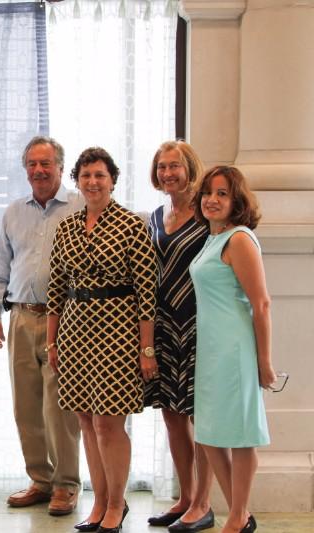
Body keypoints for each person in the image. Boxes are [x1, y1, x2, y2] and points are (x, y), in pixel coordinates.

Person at [46, 147, 157, 533]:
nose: (93, 182)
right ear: (77, 180)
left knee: (109, 423)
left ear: (113, 180)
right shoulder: (67, 226)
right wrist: (52, 342)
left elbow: (147, 293)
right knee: (86, 421)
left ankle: (117, 504)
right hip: (75, 333)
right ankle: (98, 502)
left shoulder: (131, 225)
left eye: (101, 175)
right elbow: (56, 289)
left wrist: (147, 349)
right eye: (87, 175)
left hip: (118, 334)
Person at [0, 136, 83, 514]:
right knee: (26, 406)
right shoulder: (13, 212)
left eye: (46, 164)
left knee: (60, 409)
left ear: (60, 166)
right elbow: (0, 268)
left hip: (67, 321)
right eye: (32, 164)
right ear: (25, 168)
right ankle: (41, 481)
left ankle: (66, 485)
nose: (39, 171)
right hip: (21, 318)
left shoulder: (80, 206)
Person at [189, 166, 276, 533]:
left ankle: (238, 516)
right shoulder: (212, 238)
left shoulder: (239, 239)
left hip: (235, 350)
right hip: (210, 349)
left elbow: (261, 304)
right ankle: (241, 515)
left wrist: (264, 361)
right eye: (208, 192)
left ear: (236, 200)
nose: (212, 199)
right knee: (208, 433)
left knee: (239, 434)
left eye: (222, 193)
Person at [144, 141, 215, 532]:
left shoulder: (207, 213)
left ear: (190, 168)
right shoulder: (156, 215)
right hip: (165, 325)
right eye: (162, 167)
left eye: (174, 166)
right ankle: (186, 496)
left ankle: (204, 502)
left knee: (200, 416)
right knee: (172, 416)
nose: (168, 173)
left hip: (201, 323)